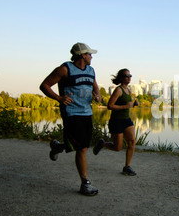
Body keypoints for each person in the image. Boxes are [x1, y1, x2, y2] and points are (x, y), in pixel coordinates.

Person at [40, 42, 101, 196]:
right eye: (89, 54)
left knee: (82, 145)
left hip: (87, 112)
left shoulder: (91, 70)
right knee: (82, 148)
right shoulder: (65, 69)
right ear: (82, 55)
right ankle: (85, 183)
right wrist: (59, 98)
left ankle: (58, 147)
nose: (91, 56)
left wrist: (97, 96)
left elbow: (95, 87)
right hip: (72, 113)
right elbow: (45, 85)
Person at [93, 68, 138, 176]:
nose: (129, 77)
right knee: (118, 148)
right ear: (121, 78)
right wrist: (126, 106)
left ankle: (127, 167)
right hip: (116, 121)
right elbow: (110, 106)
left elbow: (128, 104)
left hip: (126, 120)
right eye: (126, 76)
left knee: (132, 142)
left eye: (130, 75)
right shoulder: (118, 90)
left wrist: (134, 104)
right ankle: (102, 144)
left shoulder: (128, 90)